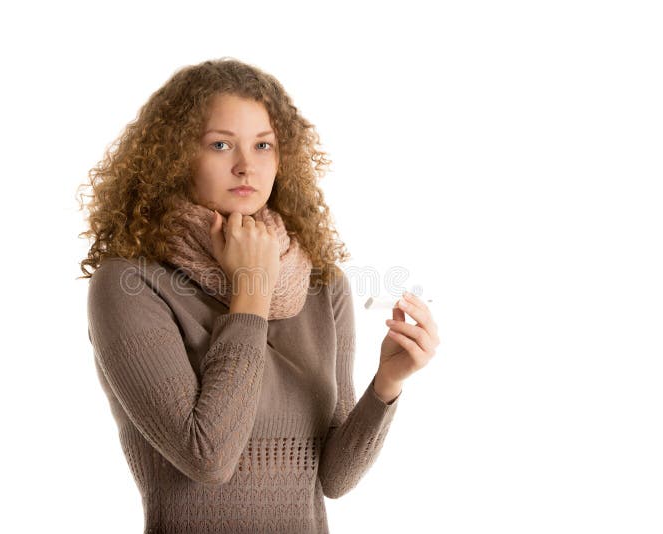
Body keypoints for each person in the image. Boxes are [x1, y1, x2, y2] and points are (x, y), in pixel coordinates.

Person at [77, 57, 440, 533]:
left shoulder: (320, 283)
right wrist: (250, 290)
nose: (246, 166)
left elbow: (333, 477)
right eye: (221, 144)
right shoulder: (130, 283)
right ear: (175, 157)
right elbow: (207, 456)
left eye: (263, 145)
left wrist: (387, 385)